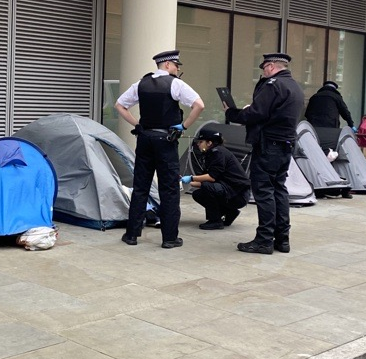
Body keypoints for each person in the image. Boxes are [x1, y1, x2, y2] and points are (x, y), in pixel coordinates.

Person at [115, 50, 204, 249]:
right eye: (176, 65)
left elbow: (119, 105)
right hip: (166, 140)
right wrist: (184, 126)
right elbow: (199, 105)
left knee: (140, 187)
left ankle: (132, 234)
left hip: (145, 139)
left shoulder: (140, 84)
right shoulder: (176, 84)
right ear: (167, 65)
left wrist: (137, 124)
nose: (178, 68)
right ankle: (170, 238)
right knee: (169, 189)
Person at [224, 53, 303, 255]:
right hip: (285, 143)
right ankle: (282, 239)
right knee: (279, 190)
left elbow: (256, 113)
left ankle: (264, 240)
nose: (263, 73)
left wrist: (232, 112)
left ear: (270, 66)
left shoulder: (273, 85)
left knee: (264, 191)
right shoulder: (294, 86)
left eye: (263, 69)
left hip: (269, 144)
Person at [181, 129, 250, 230]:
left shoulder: (218, 153)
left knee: (207, 187)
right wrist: (182, 182)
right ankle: (230, 212)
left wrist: (191, 178)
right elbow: (205, 180)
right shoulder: (210, 154)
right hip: (229, 191)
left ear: (209, 143)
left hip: (238, 195)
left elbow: (211, 178)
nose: (198, 145)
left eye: (201, 142)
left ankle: (215, 220)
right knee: (198, 194)